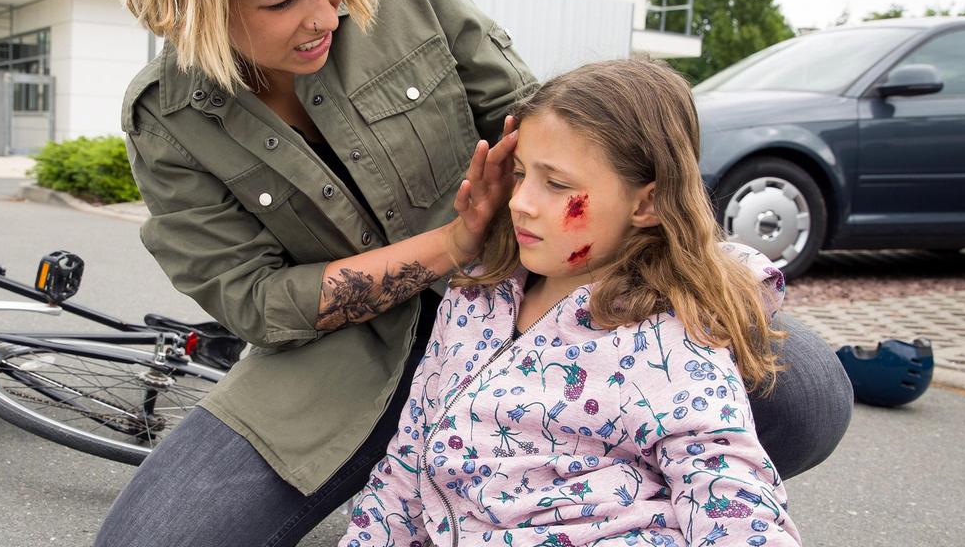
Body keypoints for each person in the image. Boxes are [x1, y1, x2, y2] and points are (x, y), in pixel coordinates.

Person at [97, 0, 848, 545]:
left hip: (528, 296)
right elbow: (255, 302)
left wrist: (669, 246)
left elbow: (540, 125)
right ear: (202, 1)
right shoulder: (166, 119)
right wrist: (449, 244)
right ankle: (448, 474)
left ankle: (584, 481)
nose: (326, 12)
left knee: (810, 393)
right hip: (343, 361)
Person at [340, 60, 800, 546]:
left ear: (647, 204)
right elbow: (408, 460)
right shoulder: (475, 295)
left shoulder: (670, 339)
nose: (520, 202)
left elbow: (731, 496)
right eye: (520, 174)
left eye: (556, 184)